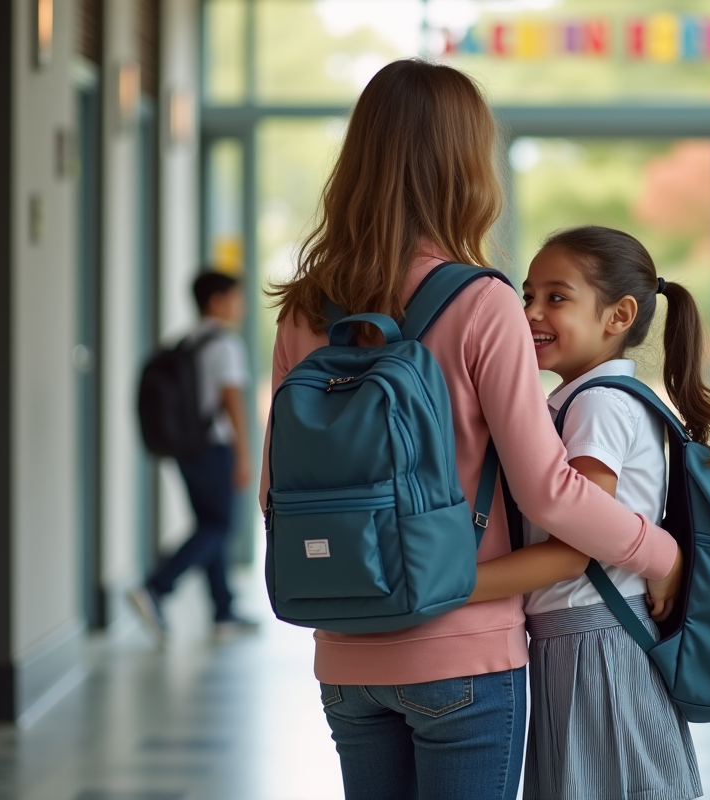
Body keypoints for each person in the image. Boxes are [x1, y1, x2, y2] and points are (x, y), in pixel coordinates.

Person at [260, 60, 683, 800]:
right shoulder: (482, 302)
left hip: (346, 655)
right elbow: (548, 492)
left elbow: (276, 494)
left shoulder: (305, 308)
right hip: (463, 655)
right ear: (464, 166)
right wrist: (659, 552)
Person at [468, 225, 710, 800]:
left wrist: (451, 587)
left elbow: (574, 548)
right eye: (528, 295)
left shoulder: (597, 405)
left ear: (618, 316)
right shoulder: (587, 399)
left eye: (556, 297)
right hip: (585, 640)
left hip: (594, 645)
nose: (530, 312)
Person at [130, 270, 259, 643]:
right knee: (218, 526)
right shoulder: (225, 344)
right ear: (216, 301)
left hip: (186, 448)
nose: (241, 306)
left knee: (210, 523)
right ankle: (156, 586)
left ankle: (224, 612)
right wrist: (244, 453)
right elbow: (231, 400)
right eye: (236, 297)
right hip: (213, 447)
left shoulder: (186, 343)